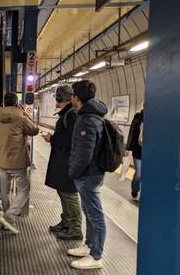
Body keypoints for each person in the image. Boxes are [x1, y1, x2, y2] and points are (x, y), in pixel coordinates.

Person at [67, 80, 108, 270]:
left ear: (76, 98)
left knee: (95, 215)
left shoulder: (87, 120)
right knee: (89, 212)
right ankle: (89, 245)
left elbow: (84, 153)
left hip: (88, 174)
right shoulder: (90, 116)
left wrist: (73, 172)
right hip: (89, 174)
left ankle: (96, 256)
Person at [0, 92, 39, 234]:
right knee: (24, 190)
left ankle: (8, 221)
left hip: (2, 162)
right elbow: (35, 130)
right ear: (17, 103)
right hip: (19, 163)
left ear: (3, 103)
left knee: (5, 192)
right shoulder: (22, 119)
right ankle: (9, 216)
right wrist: (25, 114)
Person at [42, 85, 83, 241]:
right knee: (63, 192)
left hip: (68, 161)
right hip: (63, 159)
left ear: (60, 98)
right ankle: (66, 222)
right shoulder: (68, 114)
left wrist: (52, 138)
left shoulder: (71, 115)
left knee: (70, 194)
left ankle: (76, 229)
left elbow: (71, 140)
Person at [125, 102, 144, 199]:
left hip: (150, 151)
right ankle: (135, 189)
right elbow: (131, 133)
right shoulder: (137, 118)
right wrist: (127, 148)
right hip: (138, 150)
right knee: (139, 174)